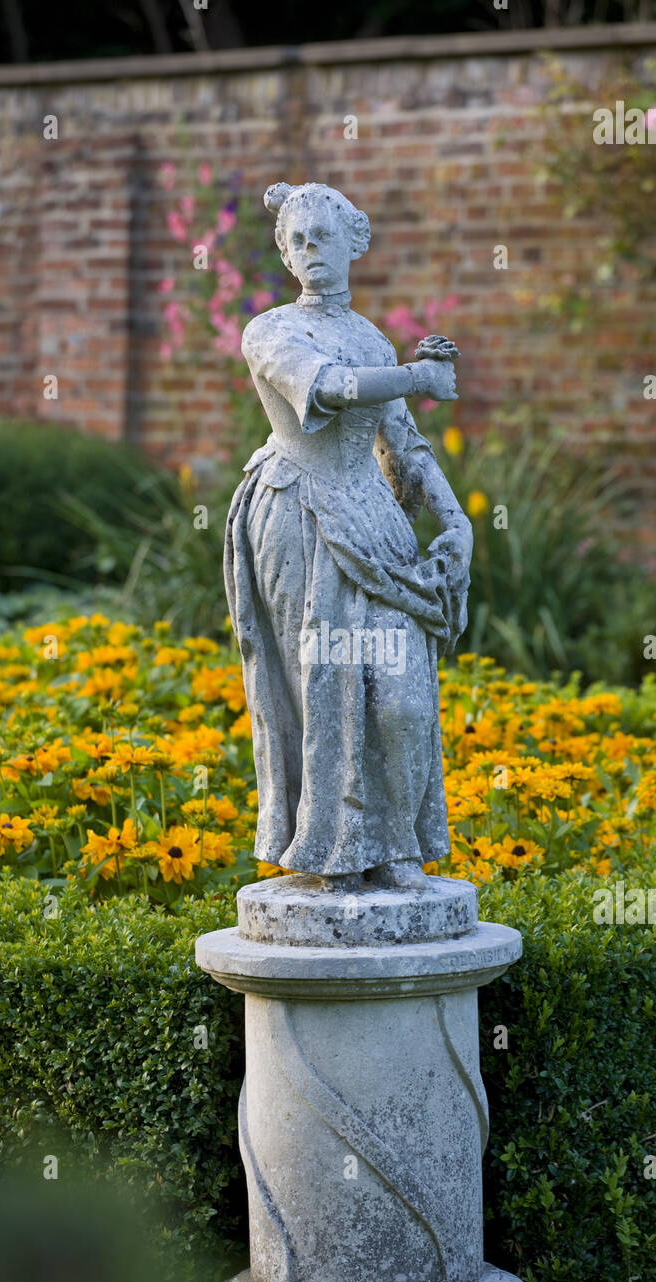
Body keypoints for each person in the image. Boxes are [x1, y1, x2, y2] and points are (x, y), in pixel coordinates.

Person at [224, 181, 472, 891]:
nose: (310, 253)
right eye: (296, 242)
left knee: (402, 698)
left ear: (355, 242)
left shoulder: (372, 338)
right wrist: (417, 374)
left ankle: (396, 842)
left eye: (322, 238)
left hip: (372, 516)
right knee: (323, 687)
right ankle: (336, 855)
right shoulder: (271, 330)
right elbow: (329, 389)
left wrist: (454, 521)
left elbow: (405, 447)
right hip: (296, 511)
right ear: (284, 252)